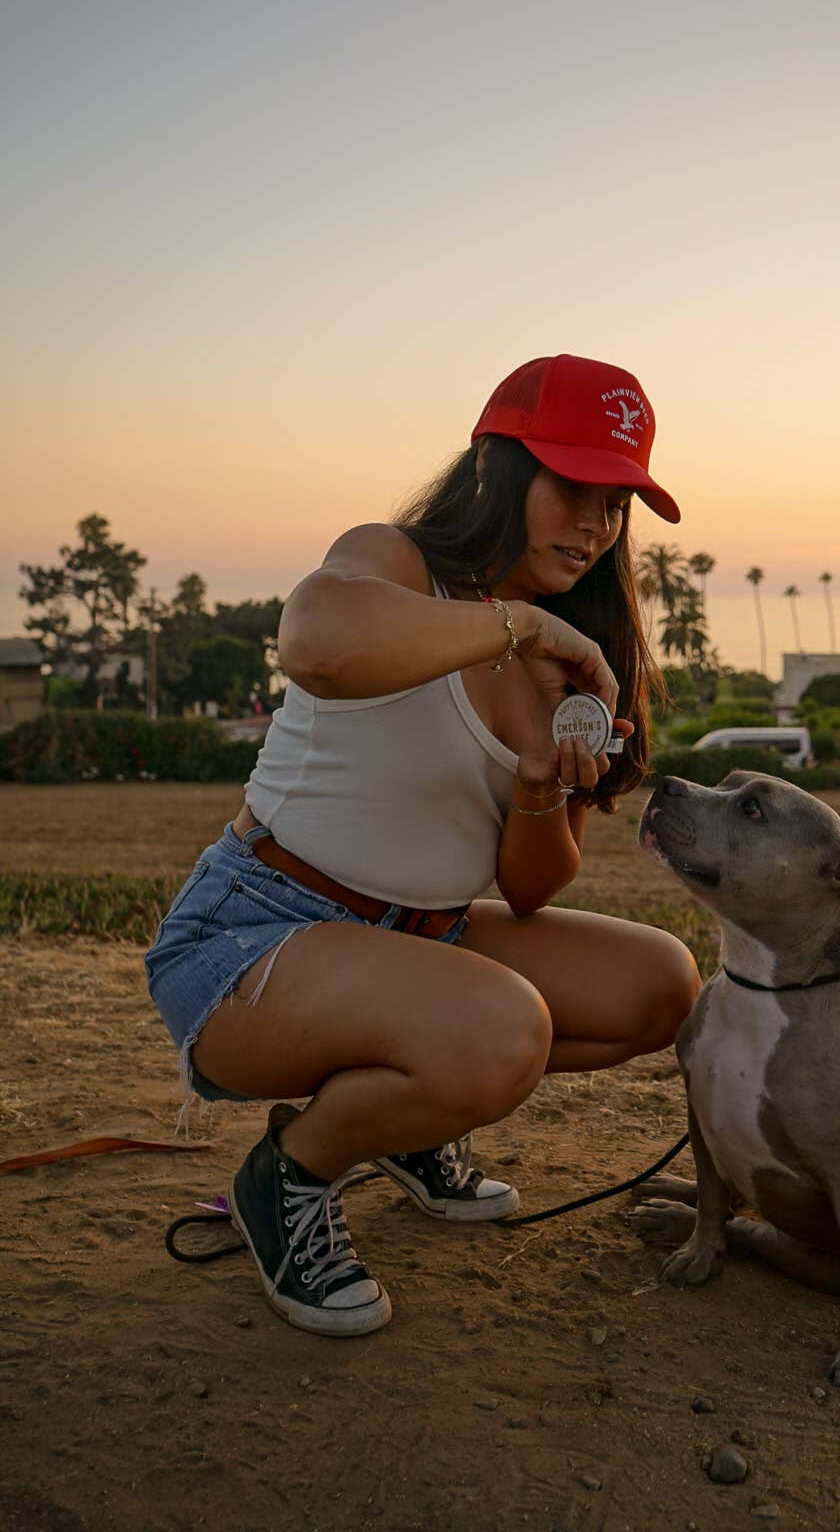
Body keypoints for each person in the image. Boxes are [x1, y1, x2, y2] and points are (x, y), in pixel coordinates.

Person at [146, 353, 701, 1338]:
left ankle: (406, 1119)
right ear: (496, 468)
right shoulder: (397, 562)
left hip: (423, 937)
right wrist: (511, 624)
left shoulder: (573, 661)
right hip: (257, 934)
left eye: (616, 501)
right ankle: (296, 1171)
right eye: (573, 485)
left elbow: (532, 888)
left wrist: (538, 792)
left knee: (659, 983)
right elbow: (315, 642)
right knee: (500, 1030)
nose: (595, 523)